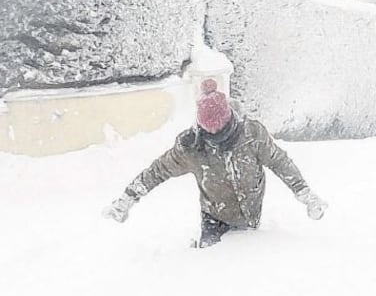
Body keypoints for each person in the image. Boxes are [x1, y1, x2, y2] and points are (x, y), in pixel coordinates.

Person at [102, 79, 327, 247]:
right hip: (214, 217)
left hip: (250, 214)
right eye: (210, 134)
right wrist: (127, 199)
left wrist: (305, 193)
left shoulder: (252, 135)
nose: (217, 139)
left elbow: (280, 162)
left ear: (230, 120)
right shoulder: (192, 148)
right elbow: (157, 171)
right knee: (211, 265)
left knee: (251, 261)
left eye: (222, 133)